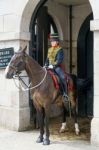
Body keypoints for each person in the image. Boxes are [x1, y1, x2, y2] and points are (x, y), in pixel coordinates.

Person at [45, 33, 68, 101]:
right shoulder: (49, 49)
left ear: (57, 42)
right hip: (49, 67)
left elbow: (59, 60)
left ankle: (65, 94)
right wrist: (45, 64)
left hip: (56, 67)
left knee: (63, 77)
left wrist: (53, 65)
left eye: (54, 41)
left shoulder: (59, 49)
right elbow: (47, 59)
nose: (52, 42)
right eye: (51, 41)